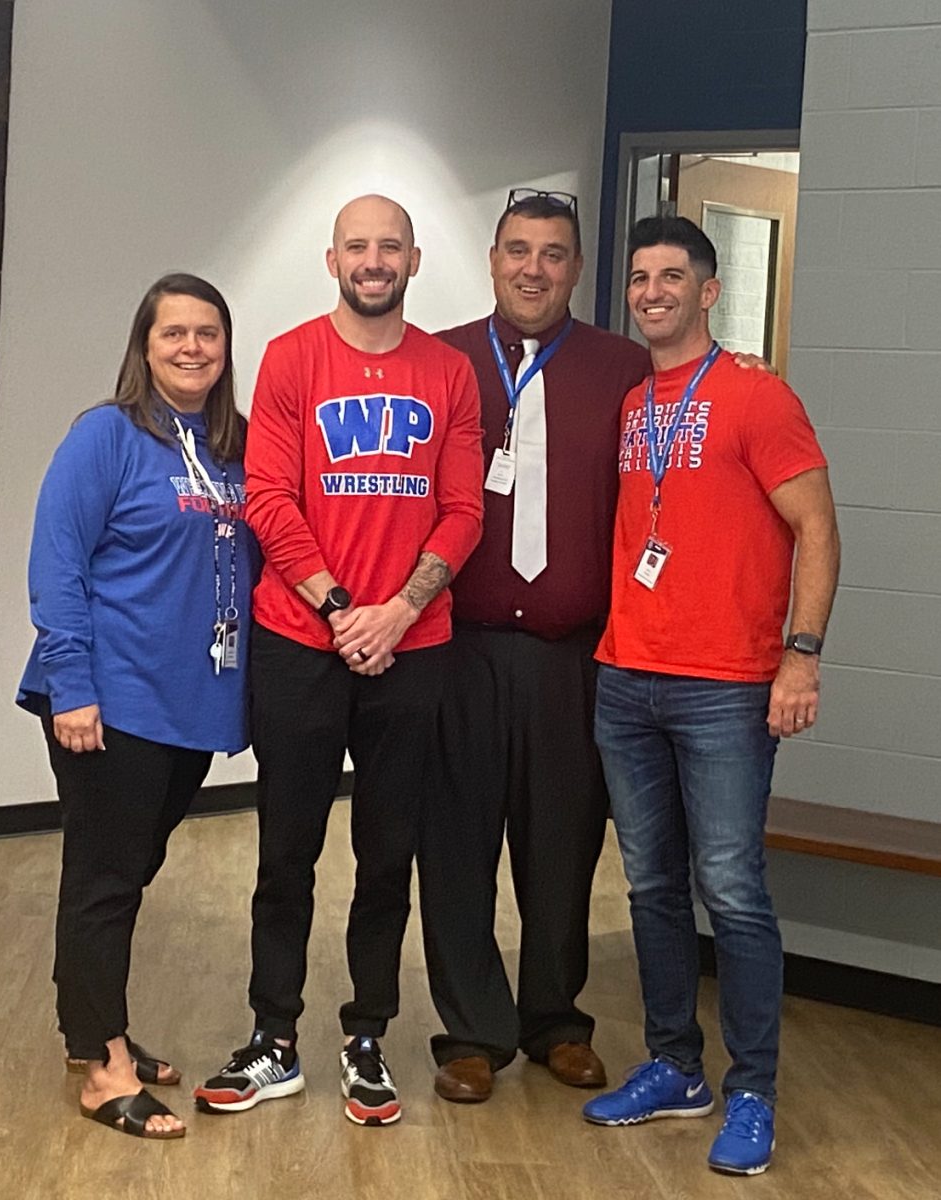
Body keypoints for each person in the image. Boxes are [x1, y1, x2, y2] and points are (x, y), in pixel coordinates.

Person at [194, 194, 484, 1127]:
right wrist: (340, 608)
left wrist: (397, 612)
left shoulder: (448, 372)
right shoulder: (289, 359)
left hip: (414, 645)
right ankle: (274, 1039)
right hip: (300, 641)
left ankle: (366, 1037)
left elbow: (464, 509)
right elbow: (269, 498)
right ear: (332, 261)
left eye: (388, 245)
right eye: (357, 245)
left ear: (414, 259)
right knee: (287, 851)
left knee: (386, 853)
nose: (373, 259)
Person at [582, 216, 840, 1177]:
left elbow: (817, 527)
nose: (650, 291)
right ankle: (672, 1066)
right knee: (650, 885)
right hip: (627, 679)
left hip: (726, 689)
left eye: (670, 277)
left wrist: (800, 656)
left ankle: (752, 1091)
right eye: (639, 277)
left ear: (707, 290)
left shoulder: (757, 397)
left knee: (729, 891)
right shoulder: (631, 402)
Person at [417, 190, 650, 1104]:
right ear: (491, 259)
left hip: (571, 656)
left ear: (576, 268)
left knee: (561, 845)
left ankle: (554, 1018)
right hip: (458, 648)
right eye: (518, 250)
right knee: (456, 844)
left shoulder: (624, 367)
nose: (533, 269)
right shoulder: (437, 362)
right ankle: (470, 1031)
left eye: (553, 254)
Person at [18, 273, 257, 1139]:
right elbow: (56, 566)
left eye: (208, 334)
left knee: (125, 873)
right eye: (174, 334)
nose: (191, 348)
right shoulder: (107, 436)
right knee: (104, 879)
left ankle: (97, 1025)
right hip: (109, 701)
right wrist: (72, 686)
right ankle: (100, 1061)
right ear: (144, 346)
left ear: (226, 350)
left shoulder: (233, 446)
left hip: (189, 705)